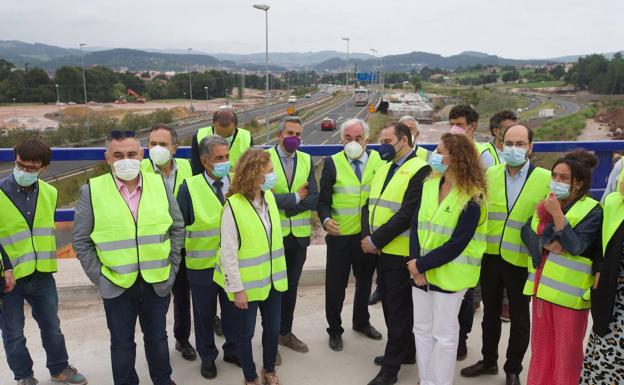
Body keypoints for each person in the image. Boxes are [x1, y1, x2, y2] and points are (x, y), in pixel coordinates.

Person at [73, 130, 184, 385]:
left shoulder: (159, 184)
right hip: (117, 284)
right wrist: (100, 278)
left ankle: (163, 381)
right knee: (122, 343)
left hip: (157, 280)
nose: (126, 160)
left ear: (141, 155)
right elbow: (80, 240)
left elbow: (177, 227)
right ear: (108, 158)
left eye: (132, 154)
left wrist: (172, 267)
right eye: (118, 155)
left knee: (157, 338)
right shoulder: (92, 190)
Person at [461, 125, 551, 385]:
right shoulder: (490, 173)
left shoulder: (544, 178)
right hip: (490, 256)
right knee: (489, 314)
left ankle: (513, 369)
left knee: (520, 319)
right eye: (509, 143)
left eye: (520, 143)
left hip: (522, 260)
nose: (514, 148)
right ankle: (489, 361)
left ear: (530, 147)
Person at [0, 139, 87, 385]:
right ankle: (24, 376)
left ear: (43, 168)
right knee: (13, 333)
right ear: (15, 160)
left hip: (42, 274)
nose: (25, 171)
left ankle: (60, 368)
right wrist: (4, 268)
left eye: (32, 168)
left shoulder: (50, 193)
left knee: (52, 327)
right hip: (9, 278)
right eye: (20, 165)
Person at [410, 133, 488, 385]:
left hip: (450, 274)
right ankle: (426, 380)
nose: (434, 154)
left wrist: (420, 264)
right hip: (420, 271)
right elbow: (416, 224)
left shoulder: (472, 196)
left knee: (443, 335)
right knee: (421, 330)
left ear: (455, 158)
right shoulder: (429, 184)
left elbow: (457, 243)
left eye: (439, 150)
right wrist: (415, 263)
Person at [521, 150, 602, 385]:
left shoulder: (593, 210)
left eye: (563, 178)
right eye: (554, 175)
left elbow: (576, 246)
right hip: (541, 292)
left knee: (567, 356)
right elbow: (526, 232)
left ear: (578, 183)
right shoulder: (544, 203)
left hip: (570, 297)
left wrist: (557, 217)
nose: (556, 181)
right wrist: (549, 243)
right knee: (541, 352)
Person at [361, 121, 431, 385]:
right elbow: (370, 204)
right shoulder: (385, 168)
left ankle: (390, 370)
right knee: (390, 306)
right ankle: (407, 352)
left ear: (404, 140)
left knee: (399, 312)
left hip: (400, 253)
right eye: (381, 141)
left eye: (387, 142)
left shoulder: (420, 170)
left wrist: (376, 239)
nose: (383, 147)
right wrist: (368, 237)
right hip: (382, 250)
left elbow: (406, 214)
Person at [213, 148, 288, 385]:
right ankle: (250, 376)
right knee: (245, 334)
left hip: (274, 281)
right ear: (255, 174)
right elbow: (228, 253)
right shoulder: (233, 206)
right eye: (270, 171)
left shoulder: (271, 199)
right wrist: (237, 289)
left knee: (272, 330)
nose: (273, 175)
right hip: (247, 285)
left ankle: (269, 370)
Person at [175, 135, 239, 379]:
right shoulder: (189, 188)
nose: (224, 162)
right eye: (219, 158)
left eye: (227, 157)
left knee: (233, 312)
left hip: (231, 265)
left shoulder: (236, 183)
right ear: (205, 161)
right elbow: (179, 227)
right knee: (204, 316)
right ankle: (208, 358)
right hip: (202, 266)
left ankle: (232, 351)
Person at [318, 118, 384, 351]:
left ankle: (361, 322)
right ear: (341, 139)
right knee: (335, 286)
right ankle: (335, 330)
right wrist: (325, 220)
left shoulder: (379, 161)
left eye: (358, 139)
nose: (353, 143)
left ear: (367, 140)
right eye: (348, 138)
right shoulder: (332, 163)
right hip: (339, 236)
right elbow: (323, 201)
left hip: (366, 236)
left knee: (365, 281)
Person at [140, 124, 196, 361]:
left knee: (182, 297)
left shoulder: (188, 168)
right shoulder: (139, 170)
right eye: (153, 144)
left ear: (175, 147)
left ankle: (182, 340)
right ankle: (155, 342)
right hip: (154, 248)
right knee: (155, 300)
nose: (157, 148)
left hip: (183, 246)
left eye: (163, 144)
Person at [267, 116, 318, 357]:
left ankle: (285, 333)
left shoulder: (307, 159)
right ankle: (270, 339)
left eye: (298, 134)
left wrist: (288, 205)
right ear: (279, 135)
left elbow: (315, 198)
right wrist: (297, 198)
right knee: (271, 289)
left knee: (291, 287)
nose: (295, 138)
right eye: (290, 133)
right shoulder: (265, 159)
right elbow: (261, 196)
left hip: (298, 236)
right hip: (273, 236)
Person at [581, 169, 624, 384]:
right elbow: (599, 243)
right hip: (611, 298)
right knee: (602, 353)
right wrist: (598, 269)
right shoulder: (614, 202)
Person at [191, 108, 252, 174]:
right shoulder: (199, 136)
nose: (223, 139)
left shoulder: (246, 138)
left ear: (236, 127)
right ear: (213, 124)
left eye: (228, 135)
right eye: (219, 135)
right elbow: (196, 169)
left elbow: (249, 170)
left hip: (237, 181)